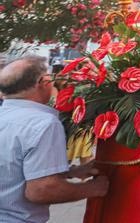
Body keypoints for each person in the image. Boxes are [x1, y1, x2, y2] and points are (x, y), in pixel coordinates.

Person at [0, 56, 109, 223]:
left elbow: (11, 168)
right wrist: (93, 188)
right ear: (44, 81)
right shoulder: (43, 123)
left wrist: (69, 172)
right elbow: (41, 190)